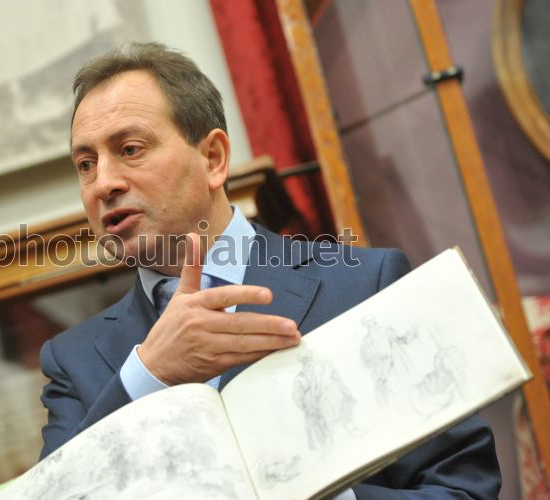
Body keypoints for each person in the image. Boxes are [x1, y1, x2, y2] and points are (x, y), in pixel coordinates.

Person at [39, 42, 500, 498]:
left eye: (130, 149)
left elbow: (464, 491)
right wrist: (149, 374)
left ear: (213, 159)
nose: (103, 184)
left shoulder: (365, 285)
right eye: (86, 164)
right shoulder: (72, 361)